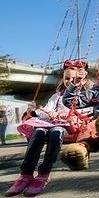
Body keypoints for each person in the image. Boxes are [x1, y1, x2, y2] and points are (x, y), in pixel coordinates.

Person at [3, 60, 89, 197]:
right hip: (51, 122)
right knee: (38, 131)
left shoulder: (83, 97)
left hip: (68, 125)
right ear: (63, 79)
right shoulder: (57, 96)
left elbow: (87, 112)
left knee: (56, 132)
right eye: (67, 78)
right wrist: (41, 113)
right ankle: (26, 174)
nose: (70, 81)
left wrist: (68, 115)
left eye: (74, 79)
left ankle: (44, 173)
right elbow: (46, 111)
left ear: (82, 81)